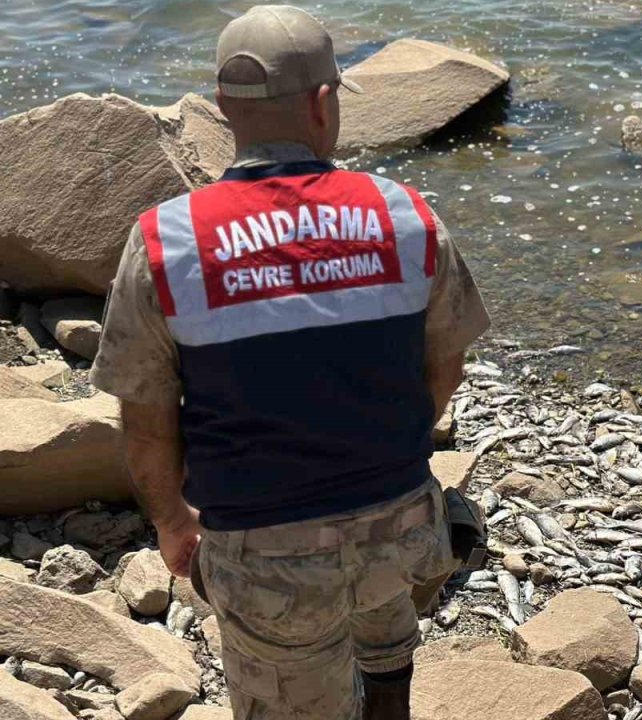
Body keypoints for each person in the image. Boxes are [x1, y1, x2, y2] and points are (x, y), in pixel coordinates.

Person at [89, 6, 490, 719]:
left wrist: (174, 524)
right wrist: (380, 442)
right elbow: (446, 366)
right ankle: (388, 690)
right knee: (382, 575)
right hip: (401, 527)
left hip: (265, 557)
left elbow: (146, 425)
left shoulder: (163, 243)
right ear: (323, 103)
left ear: (222, 109)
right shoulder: (403, 215)